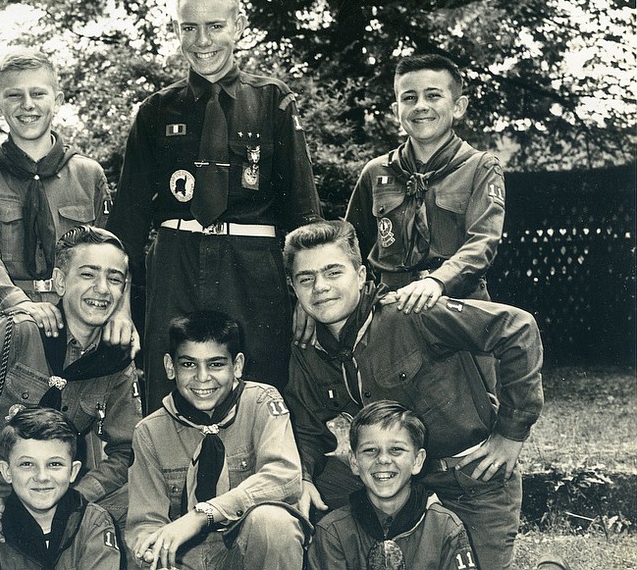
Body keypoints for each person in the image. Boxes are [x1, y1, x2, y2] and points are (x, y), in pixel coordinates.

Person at [106, 0, 321, 412]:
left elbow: (302, 211)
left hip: (251, 268)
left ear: (238, 26)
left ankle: (260, 478)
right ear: (176, 30)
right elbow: (127, 219)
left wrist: (308, 297)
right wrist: (120, 305)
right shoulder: (155, 111)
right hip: (175, 262)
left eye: (215, 26)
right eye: (189, 27)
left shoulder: (273, 101)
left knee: (259, 385)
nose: (202, 40)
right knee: (170, 385)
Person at [283, 220, 544, 570]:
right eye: (306, 278)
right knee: (310, 495)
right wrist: (303, 479)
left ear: (361, 276)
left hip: (466, 477)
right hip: (390, 479)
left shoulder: (409, 313)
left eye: (333, 272)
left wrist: (510, 434)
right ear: (293, 287)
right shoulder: (309, 348)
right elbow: (306, 424)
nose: (321, 288)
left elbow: (517, 329)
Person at [0, 226, 143, 570]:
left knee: (138, 512)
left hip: (46, 489)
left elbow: (127, 449)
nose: (101, 289)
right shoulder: (17, 332)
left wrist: (80, 494)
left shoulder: (114, 361)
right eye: (88, 274)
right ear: (61, 282)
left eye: (114, 279)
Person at [0, 47, 134, 352]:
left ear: (58, 101)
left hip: (79, 318)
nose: (27, 105)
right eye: (14, 95)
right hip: (6, 320)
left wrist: (121, 312)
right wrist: (20, 304)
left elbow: (114, 256)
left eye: (38, 94)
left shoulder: (88, 174)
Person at [125, 311, 309, 570]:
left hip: (244, 554)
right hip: (185, 561)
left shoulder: (261, 403)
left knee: (274, 522)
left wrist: (203, 515)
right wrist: (151, 553)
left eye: (216, 364)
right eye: (188, 364)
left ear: (237, 366)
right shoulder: (150, 432)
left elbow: (284, 476)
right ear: (170, 366)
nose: (202, 377)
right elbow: (144, 523)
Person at [344, 53, 506, 314]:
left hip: (460, 307)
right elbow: (349, 248)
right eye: (409, 97)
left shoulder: (480, 167)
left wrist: (437, 281)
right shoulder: (376, 172)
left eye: (433, 95)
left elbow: (483, 242)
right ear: (397, 111)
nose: (420, 106)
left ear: (458, 106)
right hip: (390, 309)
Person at [308, 400, 477, 570]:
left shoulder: (445, 527)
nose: (383, 459)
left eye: (396, 449)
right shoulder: (333, 531)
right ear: (354, 461)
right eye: (370, 450)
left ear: (417, 461)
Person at [0, 406, 121, 569]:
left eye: (54, 464)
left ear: (73, 472)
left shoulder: (93, 522)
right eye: (27, 464)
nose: (42, 477)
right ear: (7, 471)